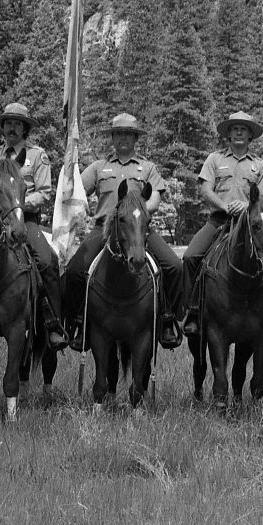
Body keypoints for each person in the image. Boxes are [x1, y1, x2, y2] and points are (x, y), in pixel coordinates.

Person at [63, 113, 185, 351]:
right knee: (75, 270)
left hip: (138, 228)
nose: (123, 138)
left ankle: (167, 318)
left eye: (128, 134)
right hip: (105, 230)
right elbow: (77, 192)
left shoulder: (147, 167)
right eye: (118, 134)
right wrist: (69, 170)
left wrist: (134, 214)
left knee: (174, 266)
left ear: (135, 138)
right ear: (113, 138)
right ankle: (80, 321)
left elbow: (156, 200)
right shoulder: (99, 167)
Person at [0, 102, 68, 351]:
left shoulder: (38, 155)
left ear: (25, 129)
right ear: (3, 127)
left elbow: (44, 193)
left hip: (25, 221)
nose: (12, 128)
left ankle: (54, 322)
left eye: (17, 124)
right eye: (8, 123)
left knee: (46, 261)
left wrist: (18, 207)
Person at [181, 110, 263, 339]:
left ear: (250, 136)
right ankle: (193, 312)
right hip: (220, 220)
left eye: (243, 129)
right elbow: (205, 189)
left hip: (252, 224)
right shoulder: (214, 159)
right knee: (190, 257)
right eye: (234, 128)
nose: (238, 132)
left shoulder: (260, 165)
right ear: (228, 133)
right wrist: (225, 206)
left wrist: (246, 207)